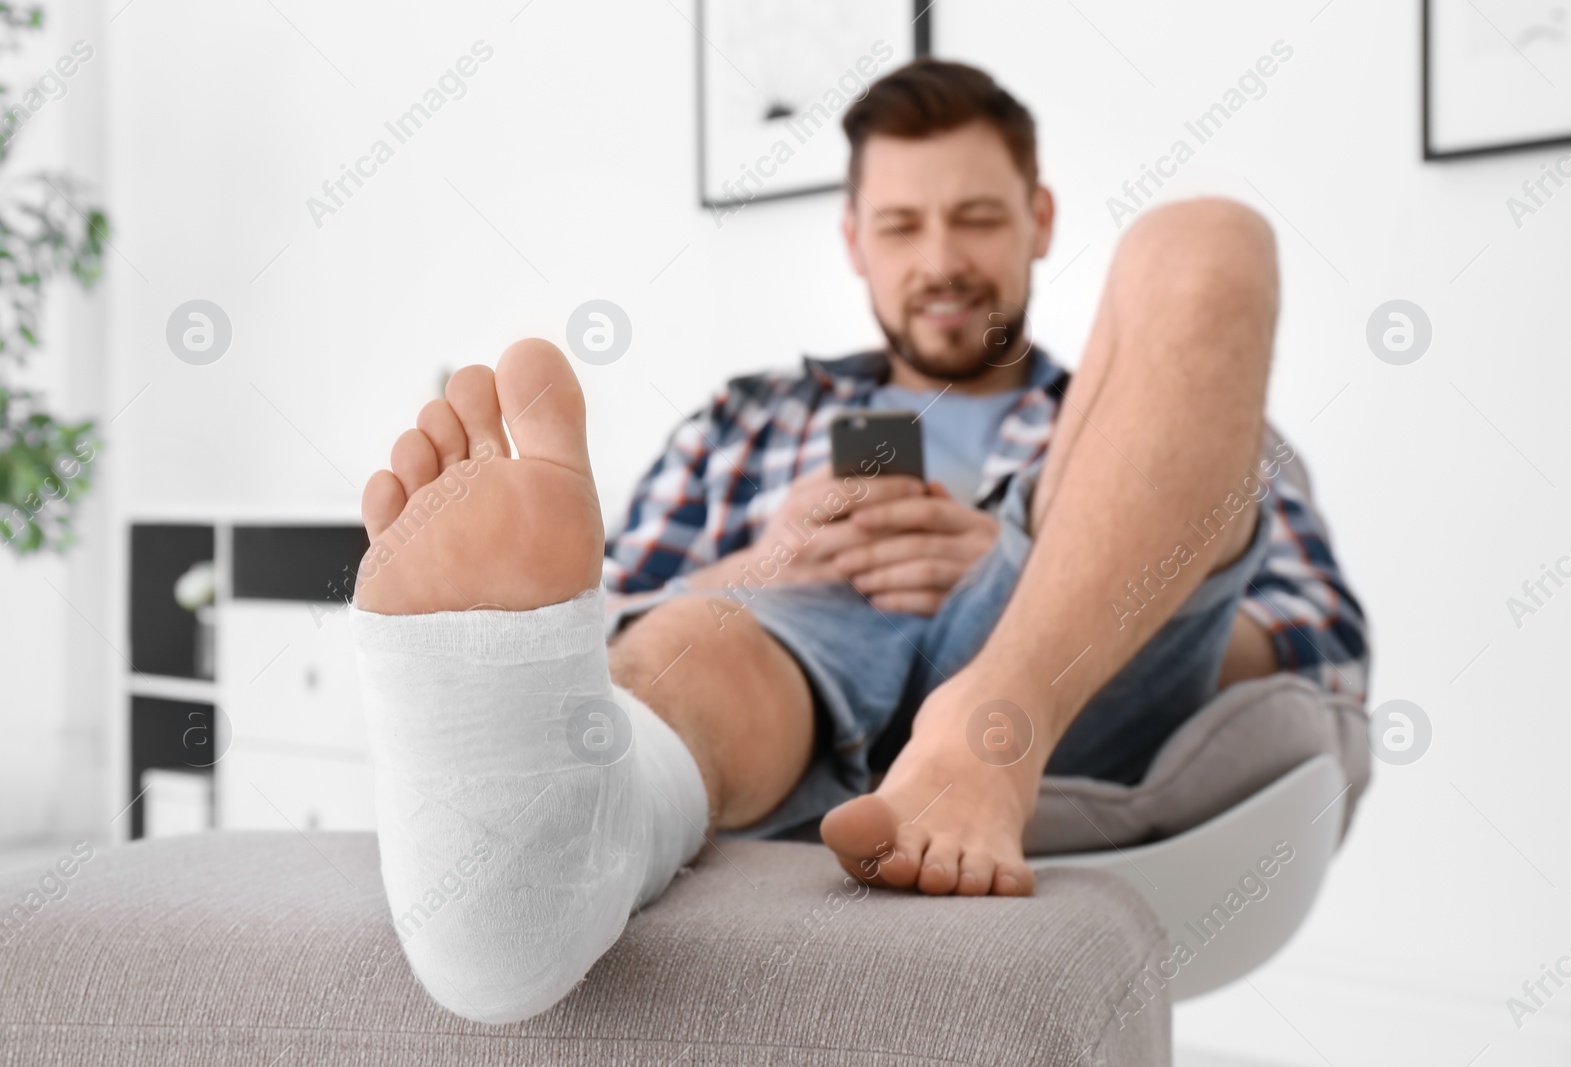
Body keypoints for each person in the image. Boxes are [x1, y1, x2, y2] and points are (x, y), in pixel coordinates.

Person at [348, 59, 1368, 1023]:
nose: (939, 261)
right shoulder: (740, 418)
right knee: (711, 628)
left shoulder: (1154, 405)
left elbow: (1315, 637)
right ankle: (561, 853)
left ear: (1038, 221)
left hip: (1053, 674)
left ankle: (986, 720)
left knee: (1207, 239)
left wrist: (1052, 575)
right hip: (779, 665)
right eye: (900, 225)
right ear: (852, 241)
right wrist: (771, 557)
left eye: (975, 218)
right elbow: (601, 616)